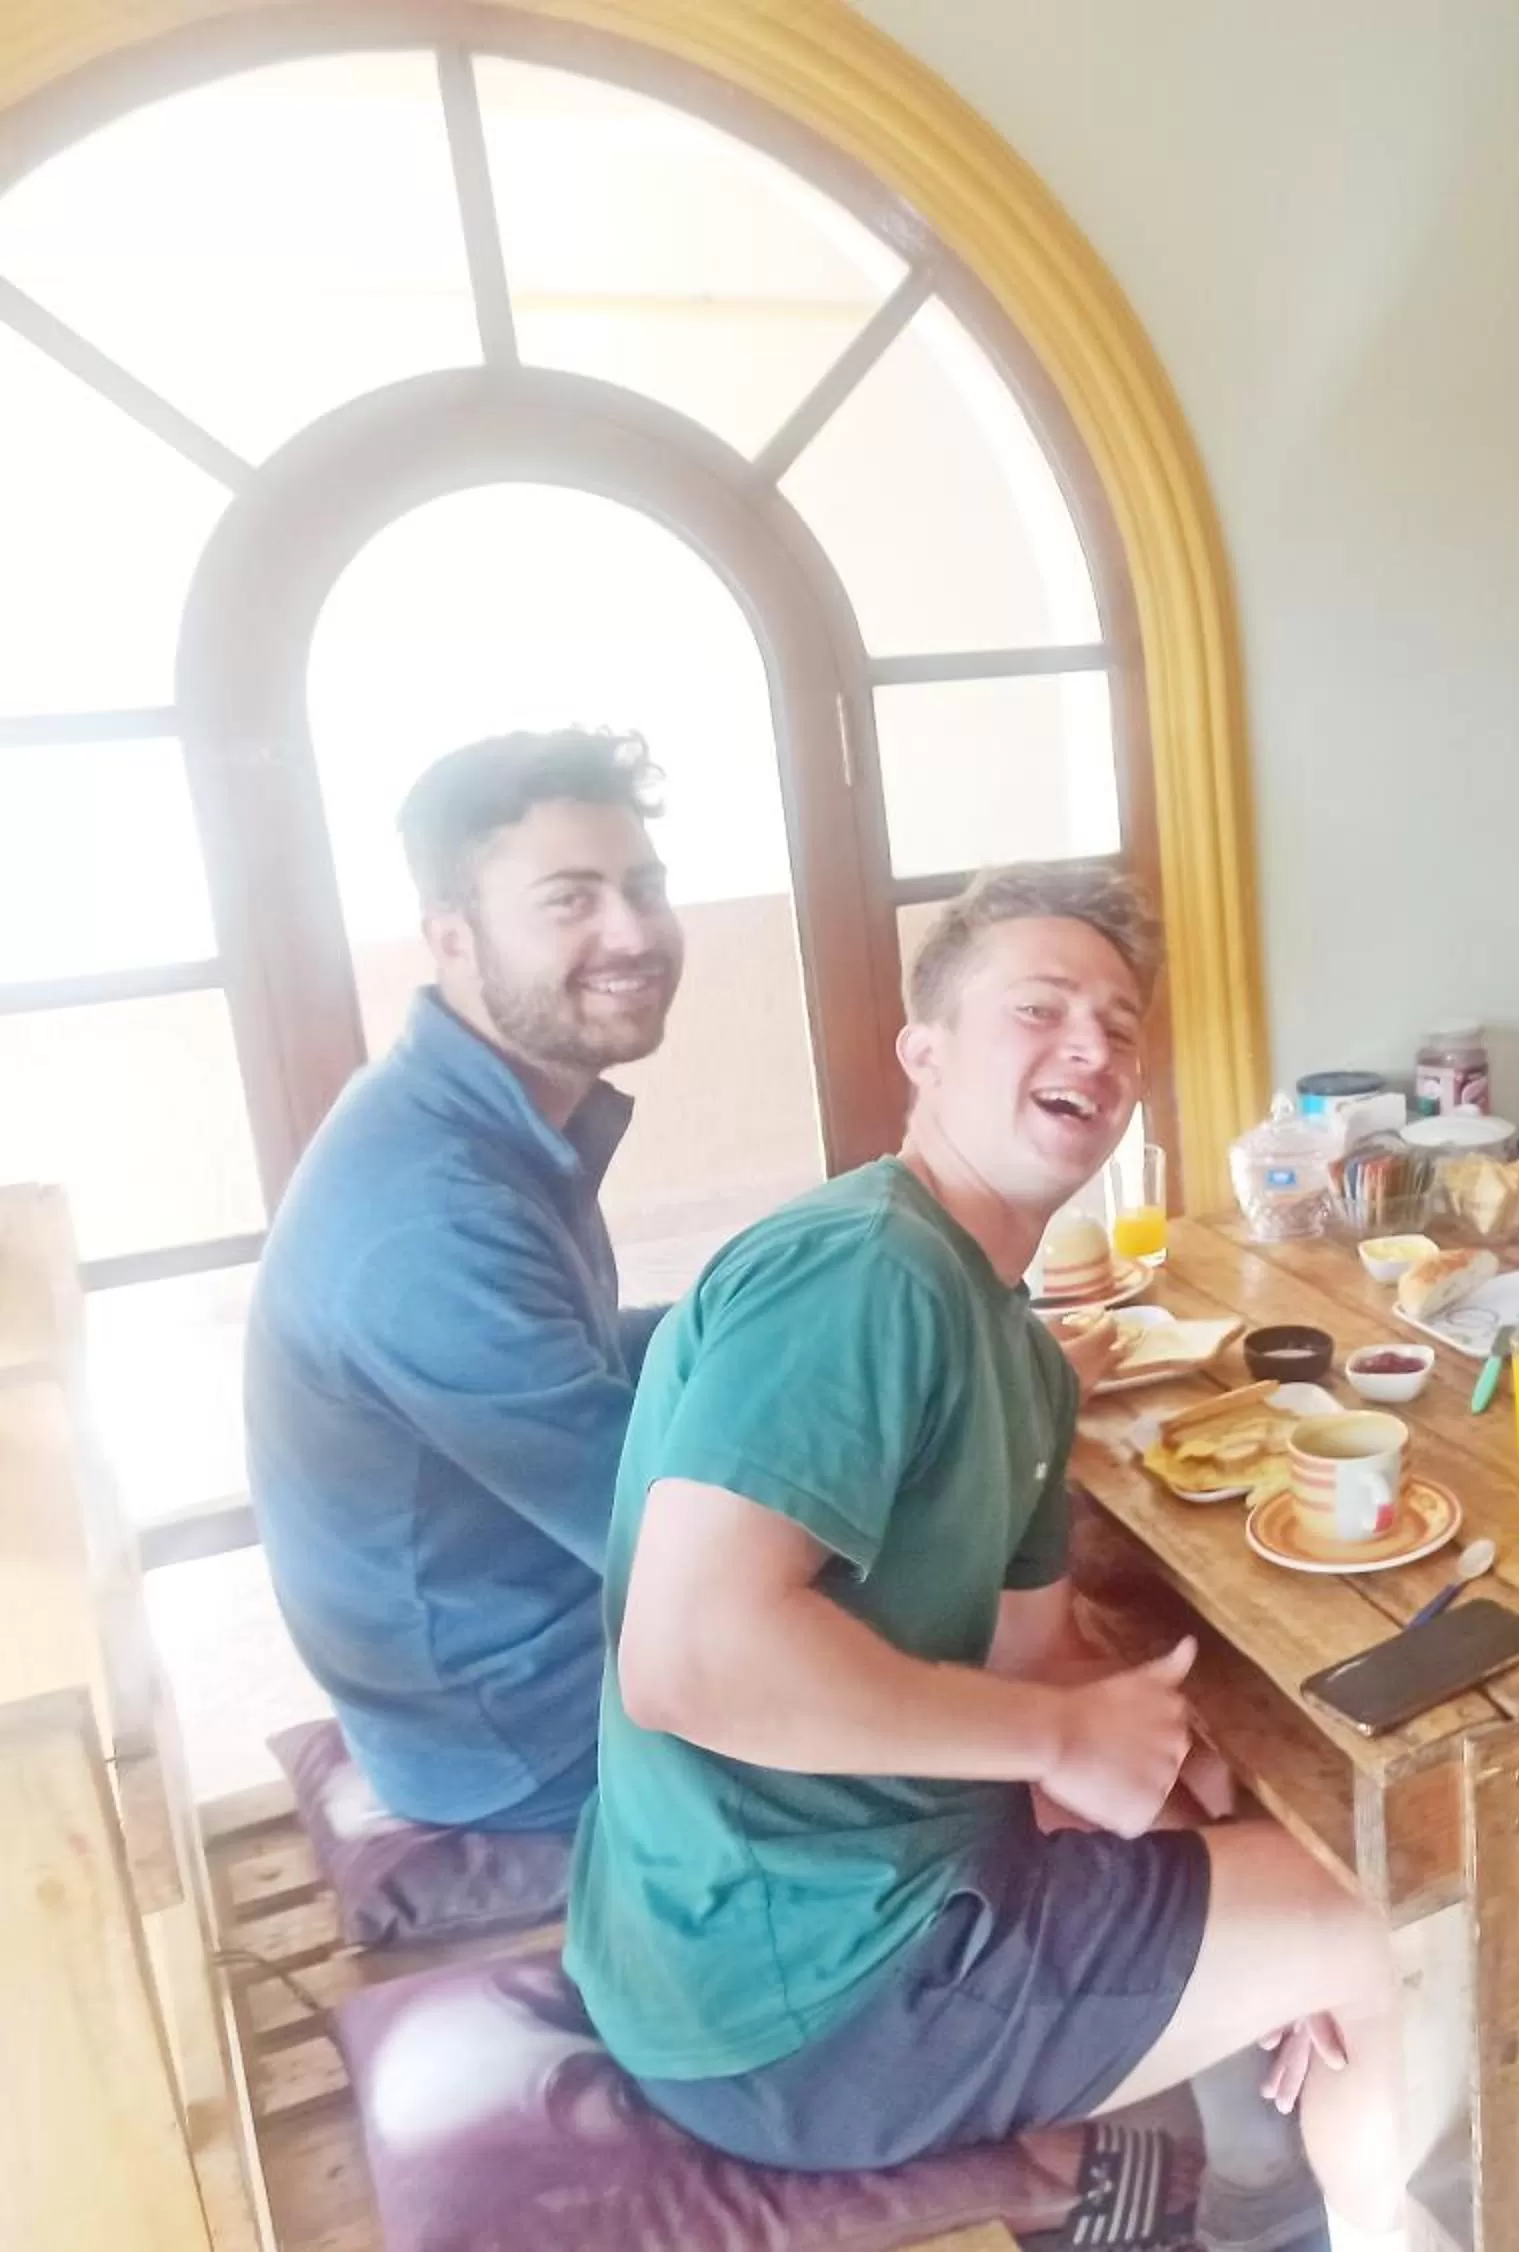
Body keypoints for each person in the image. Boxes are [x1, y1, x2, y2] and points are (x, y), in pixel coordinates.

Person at [563, 864, 1405, 2250]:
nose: (1094, 1046)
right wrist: (1069, 1740)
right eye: (1041, 1009)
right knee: (1392, 1937)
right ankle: (1288, 2199)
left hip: (813, 1916)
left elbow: (1041, 1665)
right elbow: (689, 1658)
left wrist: (1211, 1853)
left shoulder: (1014, 1342)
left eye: (1121, 1025)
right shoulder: (863, 1273)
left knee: (1272, 1858)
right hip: (797, 1995)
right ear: (926, 1054)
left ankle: (1262, 2203)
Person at [246, 730, 684, 1833]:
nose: (631, 932)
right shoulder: (430, 1214)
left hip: (519, 1649)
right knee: (976, 1629)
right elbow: (670, 1540)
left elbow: (586, 1354)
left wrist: (856, 1324)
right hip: (516, 1732)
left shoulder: (472, 1111)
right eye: (569, 900)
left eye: (643, 888)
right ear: (451, 936)